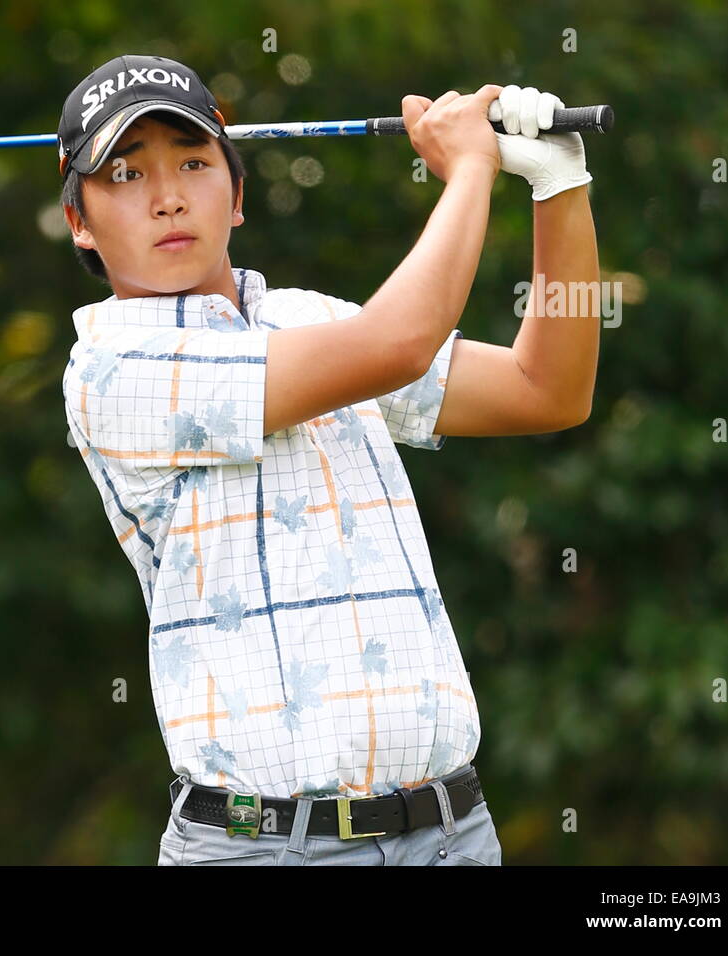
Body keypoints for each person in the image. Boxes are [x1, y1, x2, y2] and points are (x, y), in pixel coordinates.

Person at [56, 54, 600, 865]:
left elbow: (547, 388)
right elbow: (397, 342)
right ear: (81, 223)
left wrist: (559, 190)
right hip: (265, 849)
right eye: (126, 174)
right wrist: (469, 171)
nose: (167, 195)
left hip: (450, 837)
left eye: (194, 163)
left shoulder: (307, 318)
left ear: (236, 197)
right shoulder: (110, 368)